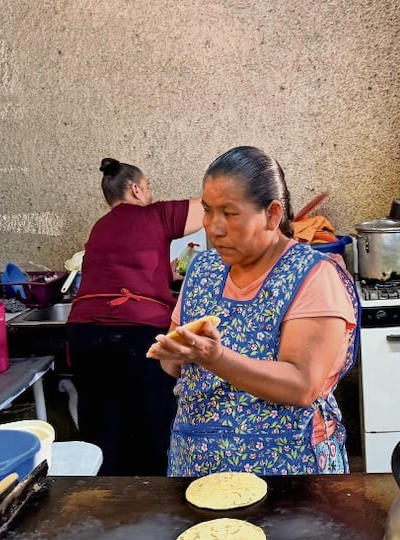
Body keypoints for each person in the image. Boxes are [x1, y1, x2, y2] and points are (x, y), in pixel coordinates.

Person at [147, 146, 359, 476]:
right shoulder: (203, 270)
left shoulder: (311, 276)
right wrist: (177, 353)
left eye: (229, 213)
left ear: (272, 215)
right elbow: (173, 365)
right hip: (197, 466)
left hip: (289, 473)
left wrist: (215, 358)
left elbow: (301, 386)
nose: (214, 228)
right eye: (208, 211)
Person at [66, 158, 205, 475]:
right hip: (137, 334)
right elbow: (215, 201)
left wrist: (165, 273)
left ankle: (104, 497)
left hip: (84, 334)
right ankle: (153, 497)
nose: (151, 193)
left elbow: (122, 273)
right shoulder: (154, 214)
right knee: (151, 426)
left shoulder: (100, 227)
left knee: (102, 427)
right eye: (148, 186)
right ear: (136, 189)